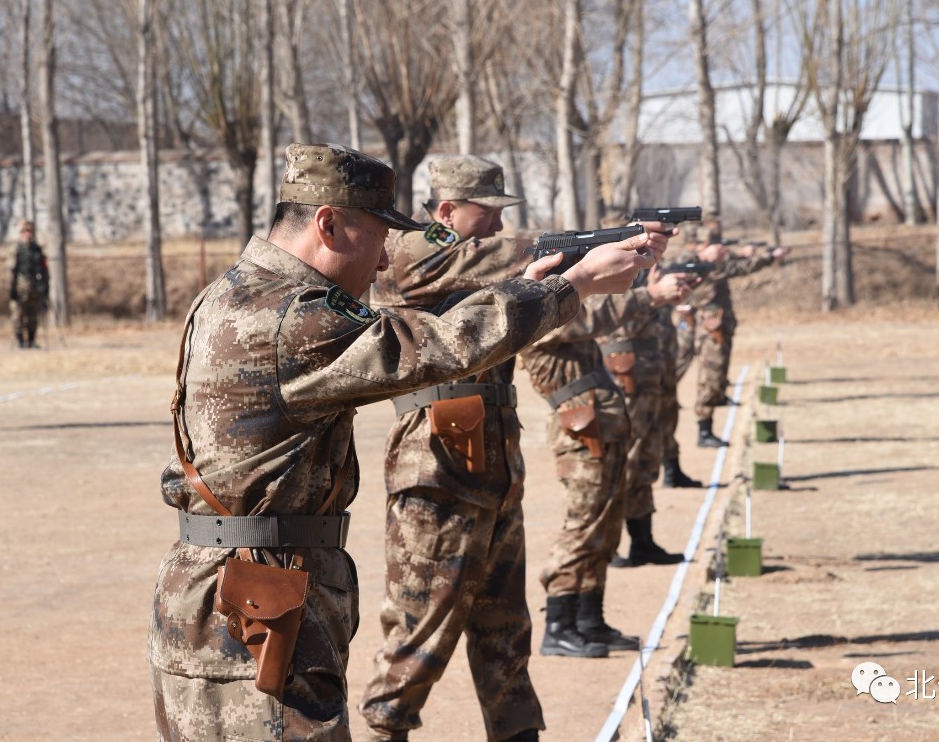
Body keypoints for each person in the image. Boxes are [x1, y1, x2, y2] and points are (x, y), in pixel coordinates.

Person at [148, 142, 663, 742]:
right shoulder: (295, 313)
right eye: (378, 235)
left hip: (231, 595)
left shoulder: (239, 291)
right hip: (252, 602)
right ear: (329, 223)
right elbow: (432, 347)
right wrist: (567, 288)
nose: (387, 255)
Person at [360, 154, 543, 742]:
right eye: (486, 214)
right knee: (418, 634)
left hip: (493, 469)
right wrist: (555, 249)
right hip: (436, 471)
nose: (496, 228)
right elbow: (452, 267)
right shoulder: (413, 250)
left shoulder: (478, 267)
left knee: (506, 635)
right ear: (445, 211)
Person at [518, 222, 680, 660]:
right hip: (580, 431)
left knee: (605, 529)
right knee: (582, 527)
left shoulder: (562, 307)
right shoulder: (538, 309)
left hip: (600, 427)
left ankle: (589, 620)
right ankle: (559, 624)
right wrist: (648, 294)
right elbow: (593, 317)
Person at [599, 263, 695, 567]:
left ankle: (643, 542)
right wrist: (649, 293)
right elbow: (617, 320)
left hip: (650, 375)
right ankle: (608, 544)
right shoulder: (615, 270)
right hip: (628, 376)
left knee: (645, 459)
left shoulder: (647, 270)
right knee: (625, 460)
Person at [686, 219, 788, 449]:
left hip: (717, 325)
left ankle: (707, 427)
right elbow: (738, 268)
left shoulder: (708, 263)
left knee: (716, 374)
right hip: (709, 327)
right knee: (709, 378)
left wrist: (749, 254)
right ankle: (704, 431)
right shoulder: (701, 265)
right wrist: (768, 258)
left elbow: (734, 263)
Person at [7, 219, 49, 348]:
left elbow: (43, 268)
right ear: (21, 233)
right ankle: (20, 340)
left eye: (30, 231)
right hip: (20, 285)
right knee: (18, 315)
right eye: (25, 231)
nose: (28, 234)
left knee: (33, 314)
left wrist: (45, 285)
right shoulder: (16, 249)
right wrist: (11, 288)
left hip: (35, 286)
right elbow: (11, 270)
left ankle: (31, 340)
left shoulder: (37, 249)